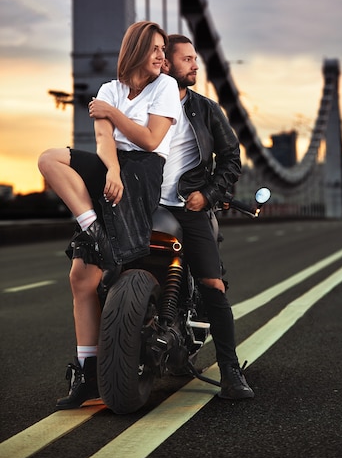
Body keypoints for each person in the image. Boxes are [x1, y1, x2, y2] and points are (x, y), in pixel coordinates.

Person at [38, 20, 180, 409]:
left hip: (144, 170)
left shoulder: (164, 87)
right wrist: (111, 171)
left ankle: (97, 234)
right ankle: (87, 377)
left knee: (85, 273)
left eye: (164, 51)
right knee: (81, 276)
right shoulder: (109, 90)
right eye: (154, 48)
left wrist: (113, 115)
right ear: (135, 49)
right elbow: (104, 143)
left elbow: (151, 139)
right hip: (114, 167)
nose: (161, 56)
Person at [160, 34, 254, 400]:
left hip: (189, 206)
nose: (195, 65)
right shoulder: (141, 105)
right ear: (164, 64)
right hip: (147, 207)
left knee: (213, 285)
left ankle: (230, 370)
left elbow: (231, 159)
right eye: (186, 59)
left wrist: (208, 194)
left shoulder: (207, 109)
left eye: (195, 58)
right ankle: (93, 366)